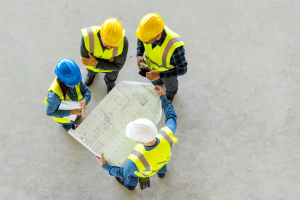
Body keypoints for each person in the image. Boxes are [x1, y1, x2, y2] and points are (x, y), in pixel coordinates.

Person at [95, 85, 178, 190]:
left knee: (133, 175)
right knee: (161, 164)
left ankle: (130, 185)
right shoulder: (167, 133)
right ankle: (162, 173)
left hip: (145, 172)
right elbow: (171, 116)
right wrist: (162, 96)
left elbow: (122, 173)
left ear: (140, 142)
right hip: (163, 160)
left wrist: (105, 166)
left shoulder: (137, 161)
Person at [135, 13, 188, 102]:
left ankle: (170, 95)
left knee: (170, 85)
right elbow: (141, 39)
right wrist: (139, 54)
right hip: (154, 67)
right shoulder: (148, 32)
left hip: (168, 73)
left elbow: (182, 69)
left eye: (146, 41)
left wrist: (160, 74)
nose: (144, 41)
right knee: (157, 79)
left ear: (158, 36)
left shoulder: (174, 47)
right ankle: (158, 81)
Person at [80, 18, 128, 93]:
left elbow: (118, 66)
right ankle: (91, 75)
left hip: (110, 70)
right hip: (93, 67)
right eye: (107, 43)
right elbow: (86, 61)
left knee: (111, 78)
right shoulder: (87, 37)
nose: (109, 47)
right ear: (101, 34)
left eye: (113, 45)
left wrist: (95, 63)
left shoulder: (123, 42)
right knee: (91, 71)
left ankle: (110, 84)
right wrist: (110, 63)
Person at [45, 58, 91, 131]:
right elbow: (49, 112)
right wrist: (71, 112)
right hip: (64, 118)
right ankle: (70, 127)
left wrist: (85, 99)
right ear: (62, 81)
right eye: (72, 84)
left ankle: (75, 117)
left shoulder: (75, 80)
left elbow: (86, 91)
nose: (76, 85)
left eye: (76, 82)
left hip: (74, 108)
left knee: (76, 116)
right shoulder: (54, 96)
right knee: (67, 124)